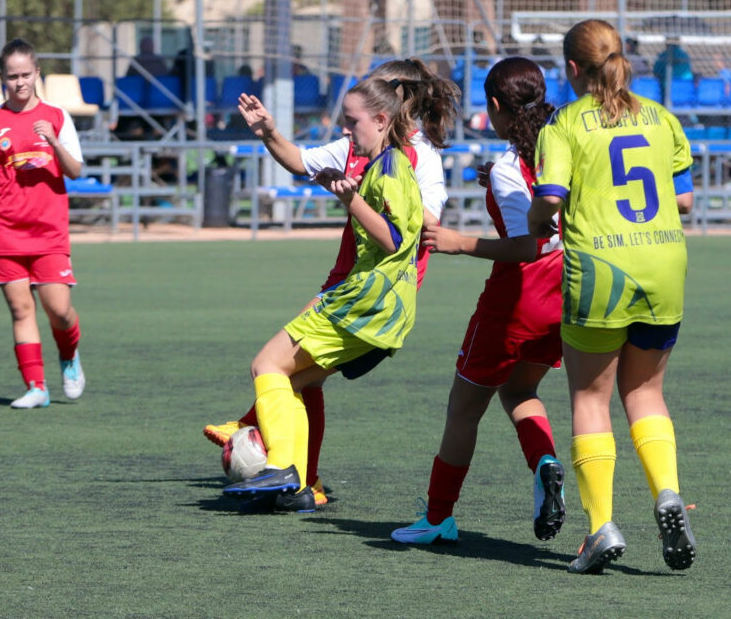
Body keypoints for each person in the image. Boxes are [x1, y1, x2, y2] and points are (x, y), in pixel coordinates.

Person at [204, 58, 459, 507]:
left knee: (267, 366)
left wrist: (351, 198)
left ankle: (281, 462)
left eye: (350, 121)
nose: (344, 130)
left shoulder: (402, 162)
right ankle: (301, 483)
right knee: (294, 380)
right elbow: (301, 161)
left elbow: (402, 235)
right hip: (369, 297)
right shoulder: (377, 155)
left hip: (367, 297)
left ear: (384, 114)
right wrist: (268, 132)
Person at [527, 18, 696, 574]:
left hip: (602, 271)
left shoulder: (565, 124)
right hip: (664, 267)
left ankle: (601, 527)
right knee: (646, 393)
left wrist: (534, 219)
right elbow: (686, 200)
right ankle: (668, 494)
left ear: (571, 69)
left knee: (590, 398)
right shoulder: (663, 117)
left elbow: (550, 201)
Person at [391, 56, 566, 545]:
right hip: (567, 292)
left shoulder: (513, 165)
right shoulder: (560, 145)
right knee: (518, 391)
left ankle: (438, 517)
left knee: (463, 409)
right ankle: (545, 463)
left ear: (493, 105)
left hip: (519, 298)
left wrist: (456, 241)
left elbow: (526, 245)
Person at [0, 38, 87, 408]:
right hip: (3, 230)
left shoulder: (56, 117)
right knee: (21, 310)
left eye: (25, 75)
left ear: (37, 73)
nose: (19, 82)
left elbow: (75, 171)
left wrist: (53, 142)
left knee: (59, 309)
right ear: (2, 78)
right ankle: (36, 387)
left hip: (48, 230)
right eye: (11, 76)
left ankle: (69, 357)